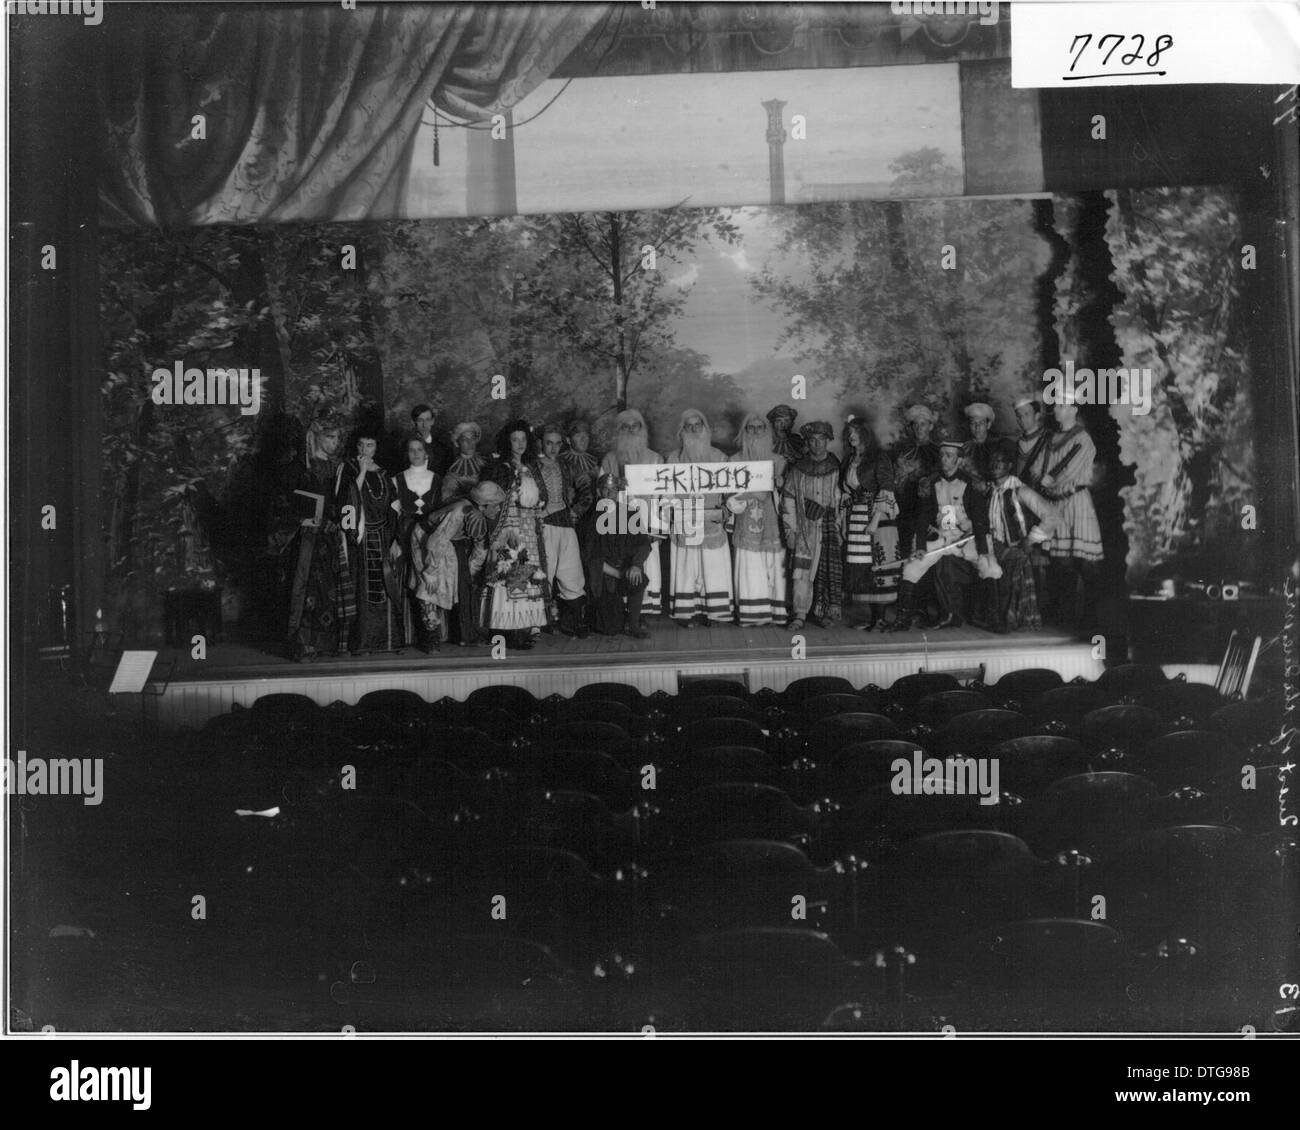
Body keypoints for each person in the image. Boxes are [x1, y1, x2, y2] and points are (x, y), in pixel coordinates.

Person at [891, 441, 994, 631]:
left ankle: (986, 615)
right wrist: (920, 546)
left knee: (989, 567)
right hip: (942, 539)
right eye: (942, 455)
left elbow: (980, 520)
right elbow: (923, 518)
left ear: (959, 459)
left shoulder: (970, 483)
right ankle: (903, 618)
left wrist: (983, 550)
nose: (944, 459)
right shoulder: (933, 483)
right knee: (911, 568)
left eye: (949, 455)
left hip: (965, 539)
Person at [405, 479, 501, 649]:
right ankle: (430, 639)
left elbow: (480, 547)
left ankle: (465, 636)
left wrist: (471, 572)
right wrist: (430, 573)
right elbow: (436, 542)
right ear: (484, 505)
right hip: (425, 539)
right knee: (428, 587)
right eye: (495, 505)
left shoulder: (480, 515)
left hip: (446, 542)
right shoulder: (460, 510)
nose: (499, 509)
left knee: (454, 585)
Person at [481, 420, 550, 650]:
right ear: (507, 442)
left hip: (529, 528)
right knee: (510, 577)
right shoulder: (501, 468)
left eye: (523, 439)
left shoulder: (532, 467)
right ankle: (507, 631)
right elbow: (493, 499)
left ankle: (524, 627)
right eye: (515, 439)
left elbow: (542, 497)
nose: (520, 444)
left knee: (527, 576)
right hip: (509, 529)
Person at [1039, 388, 1104, 631]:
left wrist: (1048, 481)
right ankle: (1065, 620)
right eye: (1056, 405)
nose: (1056, 409)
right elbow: (1041, 468)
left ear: (1074, 409)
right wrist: (1042, 479)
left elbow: (1070, 472)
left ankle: (1092, 620)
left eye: (1062, 405)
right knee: (1061, 563)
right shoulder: (1051, 438)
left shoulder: (1083, 439)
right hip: (1055, 504)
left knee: (1087, 564)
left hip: (1075, 501)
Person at [285, 417, 347, 660]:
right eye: (330, 437)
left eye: (337, 438)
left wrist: (338, 521)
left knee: (328, 590)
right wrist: (300, 520)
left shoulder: (338, 469)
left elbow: (341, 503)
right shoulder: (301, 469)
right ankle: (302, 644)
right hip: (306, 539)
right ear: (317, 437)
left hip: (329, 537)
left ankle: (325, 643)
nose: (335, 443)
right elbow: (286, 502)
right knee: (304, 587)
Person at [665, 408, 735, 626]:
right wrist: (673, 514)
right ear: (682, 431)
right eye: (689, 426)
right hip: (685, 522)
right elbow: (666, 493)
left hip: (712, 522)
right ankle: (686, 614)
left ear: (706, 429)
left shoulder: (720, 457)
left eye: (698, 425)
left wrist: (726, 511)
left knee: (712, 569)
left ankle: (714, 612)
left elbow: (731, 492)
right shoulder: (673, 458)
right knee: (686, 570)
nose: (694, 430)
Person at [335, 428, 402, 654]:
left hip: (383, 536)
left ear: (376, 448)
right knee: (362, 588)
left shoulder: (383, 473)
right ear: (356, 446)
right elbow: (346, 500)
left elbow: (394, 507)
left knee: (385, 586)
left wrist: (395, 539)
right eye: (362, 445)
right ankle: (362, 643)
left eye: (370, 445)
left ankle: (387, 642)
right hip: (360, 539)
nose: (365, 449)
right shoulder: (348, 468)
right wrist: (362, 471)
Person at [599, 408, 664, 623]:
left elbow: (664, 496)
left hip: (645, 524)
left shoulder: (655, 459)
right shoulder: (610, 459)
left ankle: (644, 611)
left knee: (648, 564)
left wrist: (656, 527)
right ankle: (625, 611)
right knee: (622, 566)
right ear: (618, 431)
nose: (630, 430)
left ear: (642, 428)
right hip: (619, 528)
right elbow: (601, 495)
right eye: (624, 427)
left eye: (634, 425)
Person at [982, 445, 1056, 632]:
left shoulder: (1020, 490)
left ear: (1009, 465)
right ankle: (1000, 616)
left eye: (1000, 460)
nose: (994, 464)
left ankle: (1012, 615)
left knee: (1018, 560)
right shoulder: (989, 490)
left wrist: (1031, 539)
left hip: (1017, 548)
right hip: (993, 547)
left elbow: (1052, 515)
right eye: (992, 460)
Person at [781, 421, 843, 631]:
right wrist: (790, 530)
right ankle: (799, 614)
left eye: (821, 440)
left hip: (827, 526)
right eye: (812, 440)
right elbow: (788, 500)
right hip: (804, 528)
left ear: (828, 441)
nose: (817, 444)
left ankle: (823, 612)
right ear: (807, 442)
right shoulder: (798, 470)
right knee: (802, 572)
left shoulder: (837, 468)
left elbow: (841, 500)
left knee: (825, 570)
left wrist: (839, 526)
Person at [840, 415, 899, 631]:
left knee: (877, 565)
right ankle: (873, 618)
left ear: (865, 433)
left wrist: (874, 521)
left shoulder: (879, 458)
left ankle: (880, 618)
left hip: (877, 518)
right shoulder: (850, 459)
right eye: (849, 431)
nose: (851, 435)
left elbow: (886, 489)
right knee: (864, 567)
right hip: (856, 516)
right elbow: (846, 489)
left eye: (855, 431)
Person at [728, 413, 788, 626]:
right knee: (750, 567)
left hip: (772, 523)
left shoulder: (779, 461)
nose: (755, 432)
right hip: (746, 520)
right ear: (744, 432)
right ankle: (753, 614)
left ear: (766, 431)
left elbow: (787, 498)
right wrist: (753, 493)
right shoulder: (734, 461)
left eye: (759, 428)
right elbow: (731, 498)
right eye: (750, 428)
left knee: (774, 567)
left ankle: (776, 612)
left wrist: (780, 485)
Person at [538, 423, 593, 637]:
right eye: (548, 443)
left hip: (566, 524)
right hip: (542, 525)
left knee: (571, 572)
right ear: (541, 443)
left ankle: (574, 622)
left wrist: (576, 511)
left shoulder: (568, 465)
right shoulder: (532, 467)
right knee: (544, 572)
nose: (553, 448)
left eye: (557, 443)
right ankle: (544, 620)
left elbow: (587, 489)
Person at [391, 438, 446, 652]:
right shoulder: (397, 479)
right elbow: (393, 514)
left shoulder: (437, 479)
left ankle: (432, 635)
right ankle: (408, 635)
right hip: (405, 535)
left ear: (426, 453)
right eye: (411, 450)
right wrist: (396, 540)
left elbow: (441, 512)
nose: (415, 453)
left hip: (429, 538)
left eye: (419, 450)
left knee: (428, 582)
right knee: (409, 583)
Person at [583, 472, 651, 638]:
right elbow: (590, 556)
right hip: (604, 575)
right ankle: (618, 616)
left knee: (638, 578)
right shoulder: (591, 518)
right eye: (605, 490)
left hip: (626, 568)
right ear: (599, 492)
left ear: (618, 492)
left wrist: (635, 565)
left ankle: (634, 624)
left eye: (612, 490)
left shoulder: (629, 513)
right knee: (610, 629)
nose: (608, 494)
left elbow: (643, 544)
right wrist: (617, 574)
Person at [892, 403, 943, 558]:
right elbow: (897, 483)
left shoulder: (939, 452)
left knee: (932, 553)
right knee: (907, 554)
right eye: (916, 425)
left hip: (932, 512)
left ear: (931, 426)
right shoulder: (904, 452)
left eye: (923, 424)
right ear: (911, 427)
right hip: (906, 511)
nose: (919, 428)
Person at [960, 402, 1012, 496]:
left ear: (988, 425)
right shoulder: (964, 448)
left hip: (995, 493)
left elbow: (1005, 473)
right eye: (973, 423)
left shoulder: (998, 446)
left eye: (981, 423)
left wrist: (987, 484)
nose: (977, 427)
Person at [440, 421, 486, 502]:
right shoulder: (452, 473)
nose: (470, 443)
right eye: (464, 439)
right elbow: (446, 498)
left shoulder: (486, 463)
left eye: (472, 438)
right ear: (457, 443)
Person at [410, 403, 454, 477]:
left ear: (432, 421)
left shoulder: (443, 448)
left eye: (427, 420)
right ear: (413, 422)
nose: (424, 425)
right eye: (420, 420)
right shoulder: (405, 447)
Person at [560, 418, 600, 483]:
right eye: (578, 436)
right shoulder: (561, 460)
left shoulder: (593, 461)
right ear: (568, 440)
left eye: (586, 435)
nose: (583, 440)